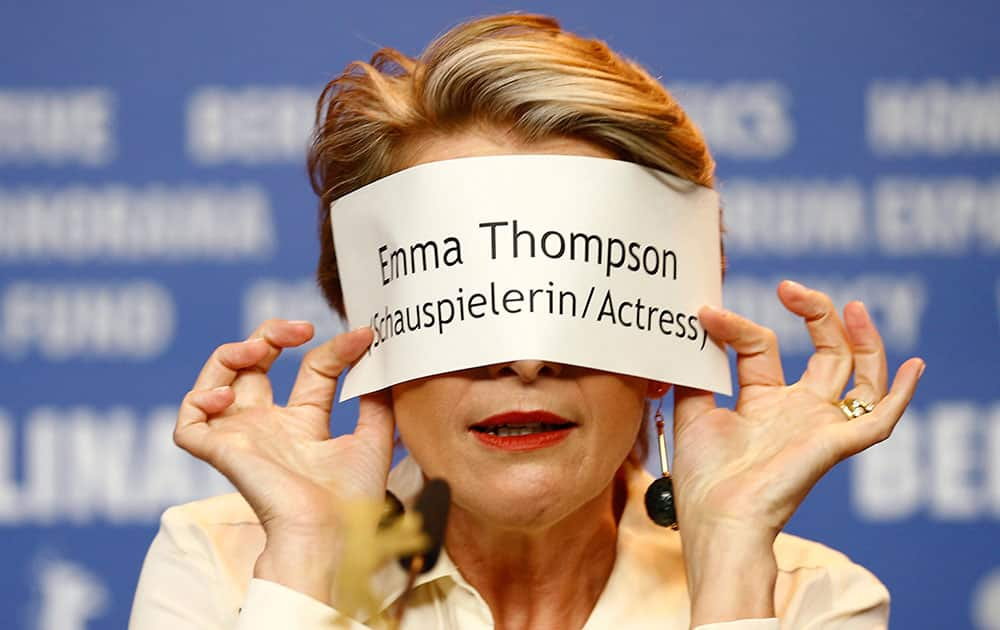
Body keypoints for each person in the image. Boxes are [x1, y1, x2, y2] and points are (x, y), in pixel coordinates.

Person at [128, 13, 924, 630]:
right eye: (467, 295)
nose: (525, 359)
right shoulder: (229, 563)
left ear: (668, 341)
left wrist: (731, 566)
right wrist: (304, 559)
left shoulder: (810, 597)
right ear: (373, 337)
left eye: (574, 293)